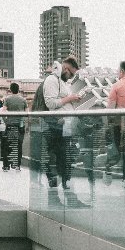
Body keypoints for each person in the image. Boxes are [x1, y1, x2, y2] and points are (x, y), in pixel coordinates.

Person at [41, 57, 86, 204]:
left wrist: (73, 99)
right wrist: (70, 98)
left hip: (65, 126)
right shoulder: (51, 80)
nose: (72, 77)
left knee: (66, 160)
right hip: (55, 127)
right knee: (60, 161)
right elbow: (50, 103)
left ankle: (64, 197)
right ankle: (58, 197)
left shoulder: (62, 82)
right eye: (72, 74)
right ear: (66, 69)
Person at [106, 62, 125, 183]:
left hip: (119, 124)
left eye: (118, 70)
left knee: (121, 149)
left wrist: (109, 122)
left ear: (122, 71)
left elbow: (110, 108)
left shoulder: (116, 86)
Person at [1, 83, 27, 171]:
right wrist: (23, 123)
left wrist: (6, 121)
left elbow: (3, 112)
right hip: (20, 125)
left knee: (7, 145)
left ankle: (6, 165)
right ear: (18, 89)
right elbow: (26, 114)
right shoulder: (23, 100)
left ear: (10, 90)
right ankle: (17, 165)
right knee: (19, 146)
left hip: (10, 125)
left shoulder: (7, 99)